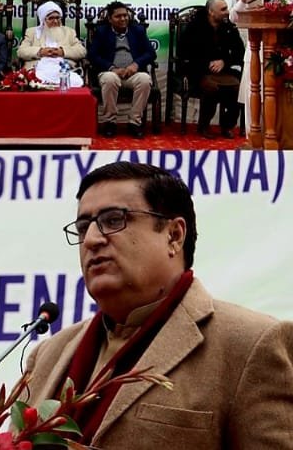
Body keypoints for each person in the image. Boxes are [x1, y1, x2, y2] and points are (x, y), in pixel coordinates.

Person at [23, 161, 293, 448]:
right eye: (82, 227)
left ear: (174, 235)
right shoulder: (47, 355)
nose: (91, 240)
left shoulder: (251, 345)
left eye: (114, 220)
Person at [88, 1, 155, 138]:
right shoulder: (102, 32)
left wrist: (136, 64)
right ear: (110, 19)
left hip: (133, 73)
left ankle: (134, 122)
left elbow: (150, 53)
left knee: (145, 80)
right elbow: (92, 55)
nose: (123, 19)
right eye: (118, 16)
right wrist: (111, 68)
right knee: (109, 79)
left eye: (125, 15)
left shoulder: (137, 30)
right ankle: (110, 122)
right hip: (111, 72)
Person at [181, 0, 244, 138]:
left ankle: (227, 126)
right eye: (223, 9)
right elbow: (184, 52)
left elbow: (239, 52)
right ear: (211, 11)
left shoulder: (229, 27)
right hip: (199, 70)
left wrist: (224, 62)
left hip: (224, 71)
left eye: (227, 8)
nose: (227, 12)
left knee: (239, 88)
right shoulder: (194, 27)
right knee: (211, 87)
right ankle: (203, 126)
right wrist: (206, 64)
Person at [18, 1, 85, 85]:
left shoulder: (69, 32)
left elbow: (81, 51)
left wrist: (62, 52)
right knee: (35, 80)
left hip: (62, 69)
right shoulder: (32, 32)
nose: (55, 21)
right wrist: (40, 51)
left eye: (58, 18)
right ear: (43, 20)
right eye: (51, 18)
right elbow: (21, 52)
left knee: (76, 81)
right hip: (39, 69)